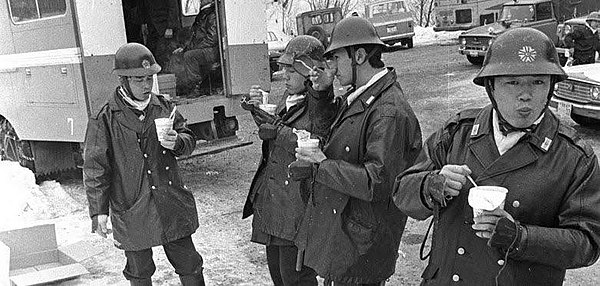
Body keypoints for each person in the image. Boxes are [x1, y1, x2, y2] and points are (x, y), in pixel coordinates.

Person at [393, 27, 600, 285]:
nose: (525, 94)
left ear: (550, 87)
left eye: (538, 82)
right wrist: (432, 185)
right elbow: (401, 193)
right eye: (512, 82)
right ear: (491, 85)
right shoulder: (457, 133)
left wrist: (519, 237)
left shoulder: (574, 156)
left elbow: (587, 243)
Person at [291, 17, 423, 285]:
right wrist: (321, 93)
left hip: (363, 252)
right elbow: (333, 133)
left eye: (336, 58)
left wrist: (322, 164)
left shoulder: (388, 110)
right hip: (348, 242)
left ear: (359, 56)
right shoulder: (363, 96)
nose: (331, 67)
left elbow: (379, 182)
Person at [83, 43, 205, 286]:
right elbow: (96, 167)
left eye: (150, 78)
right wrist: (98, 211)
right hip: (132, 204)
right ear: (123, 80)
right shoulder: (105, 117)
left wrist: (178, 143)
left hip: (169, 199)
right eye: (139, 80)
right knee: (139, 270)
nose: (147, 85)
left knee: (189, 262)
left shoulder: (164, 107)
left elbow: (188, 138)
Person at [241, 35, 338, 286]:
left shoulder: (321, 104)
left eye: (290, 70)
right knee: (278, 273)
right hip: (276, 203)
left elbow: (315, 143)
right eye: (283, 68)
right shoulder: (289, 96)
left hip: (298, 206)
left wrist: (275, 127)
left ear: (308, 72)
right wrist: (257, 110)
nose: (284, 75)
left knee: (295, 277)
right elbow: (278, 133)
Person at [173, 0, 219, 97]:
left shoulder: (211, 15)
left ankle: (196, 88)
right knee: (181, 54)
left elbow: (212, 39)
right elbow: (194, 37)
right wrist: (184, 48)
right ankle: (183, 86)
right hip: (206, 48)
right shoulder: (204, 14)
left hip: (212, 50)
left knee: (190, 56)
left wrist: (191, 50)